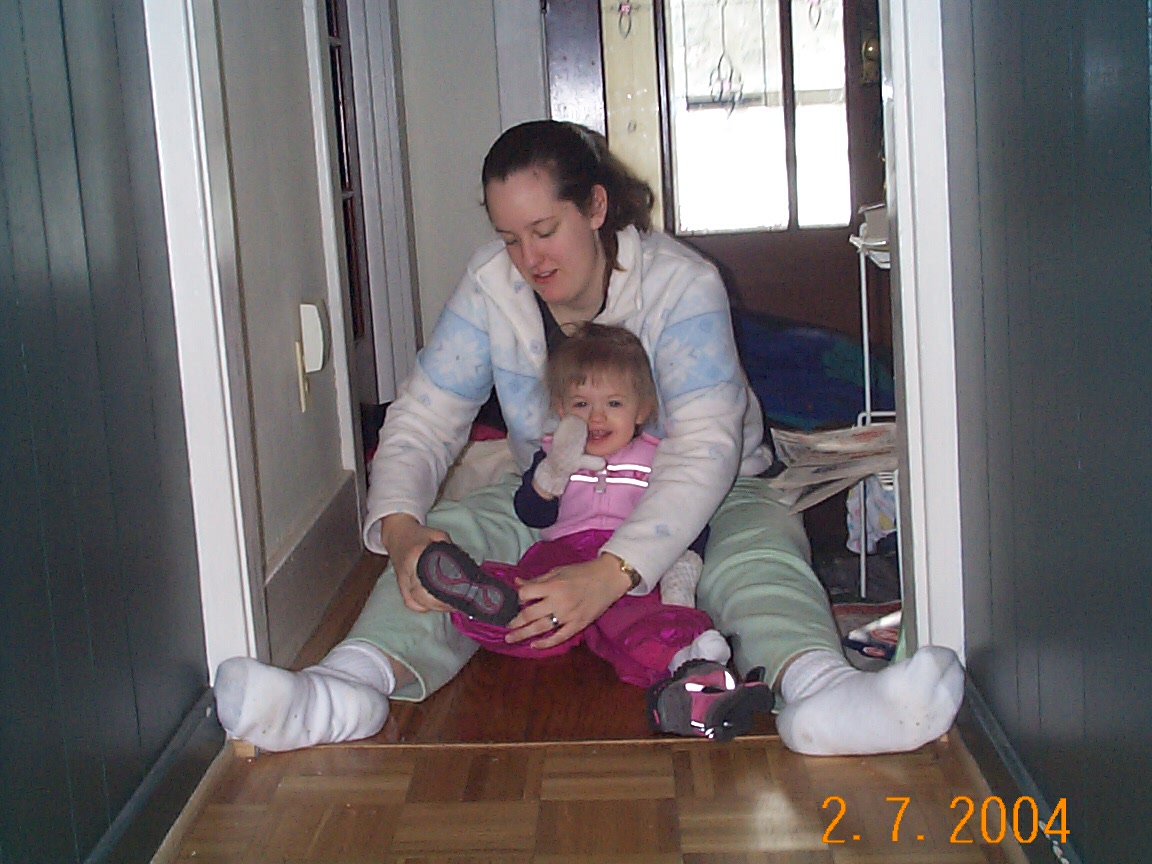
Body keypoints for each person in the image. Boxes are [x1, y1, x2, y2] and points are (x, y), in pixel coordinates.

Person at [213, 119, 963, 754]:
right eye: (509, 238)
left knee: (759, 559)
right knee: (450, 540)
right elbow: (426, 415)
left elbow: (705, 447)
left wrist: (610, 574)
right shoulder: (492, 285)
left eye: (545, 231)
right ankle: (345, 687)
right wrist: (404, 531)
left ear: (596, 207)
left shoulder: (682, 285)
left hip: (715, 489)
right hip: (558, 491)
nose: (529, 260)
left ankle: (825, 696)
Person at [417, 323, 753, 703]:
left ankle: (686, 659)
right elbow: (532, 514)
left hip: (626, 556)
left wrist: (683, 564)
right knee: (532, 597)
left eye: (614, 404)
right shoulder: (554, 453)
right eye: (581, 405)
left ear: (642, 410)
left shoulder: (657, 457)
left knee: (639, 616)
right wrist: (550, 475)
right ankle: (484, 597)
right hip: (562, 550)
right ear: (561, 409)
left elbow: (686, 514)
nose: (596, 418)